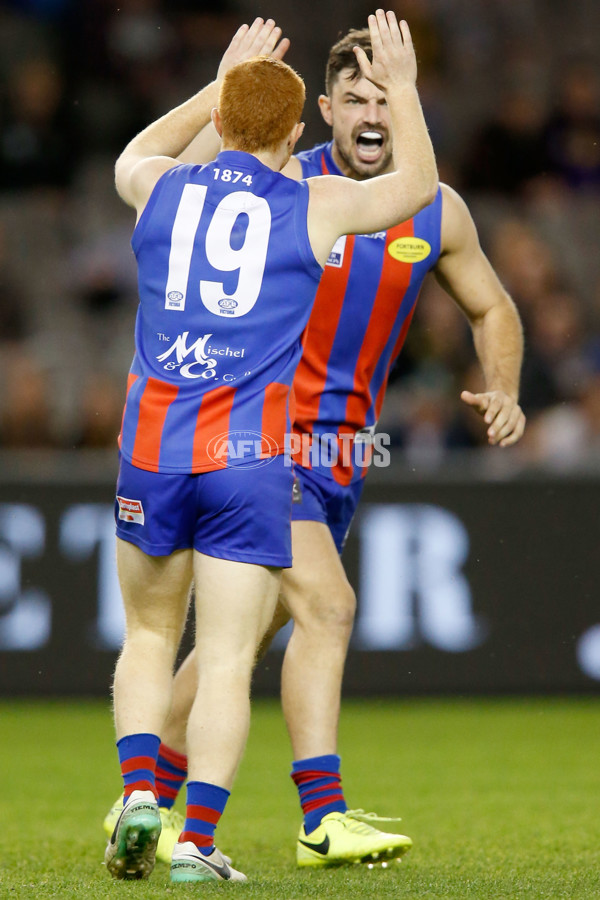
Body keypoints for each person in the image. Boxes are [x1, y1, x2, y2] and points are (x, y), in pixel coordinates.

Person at [104, 22, 525, 872]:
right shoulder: (294, 189)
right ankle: (318, 815)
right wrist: (405, 89)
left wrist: (505, 385)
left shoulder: (433, 213)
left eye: (385, 97)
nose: (372, 113)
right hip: (264, 442)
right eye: (357, 99)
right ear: (320, 113)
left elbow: (495, 307)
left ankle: (144, 795)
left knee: (241, 639)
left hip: (342, 452)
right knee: (326, 609)